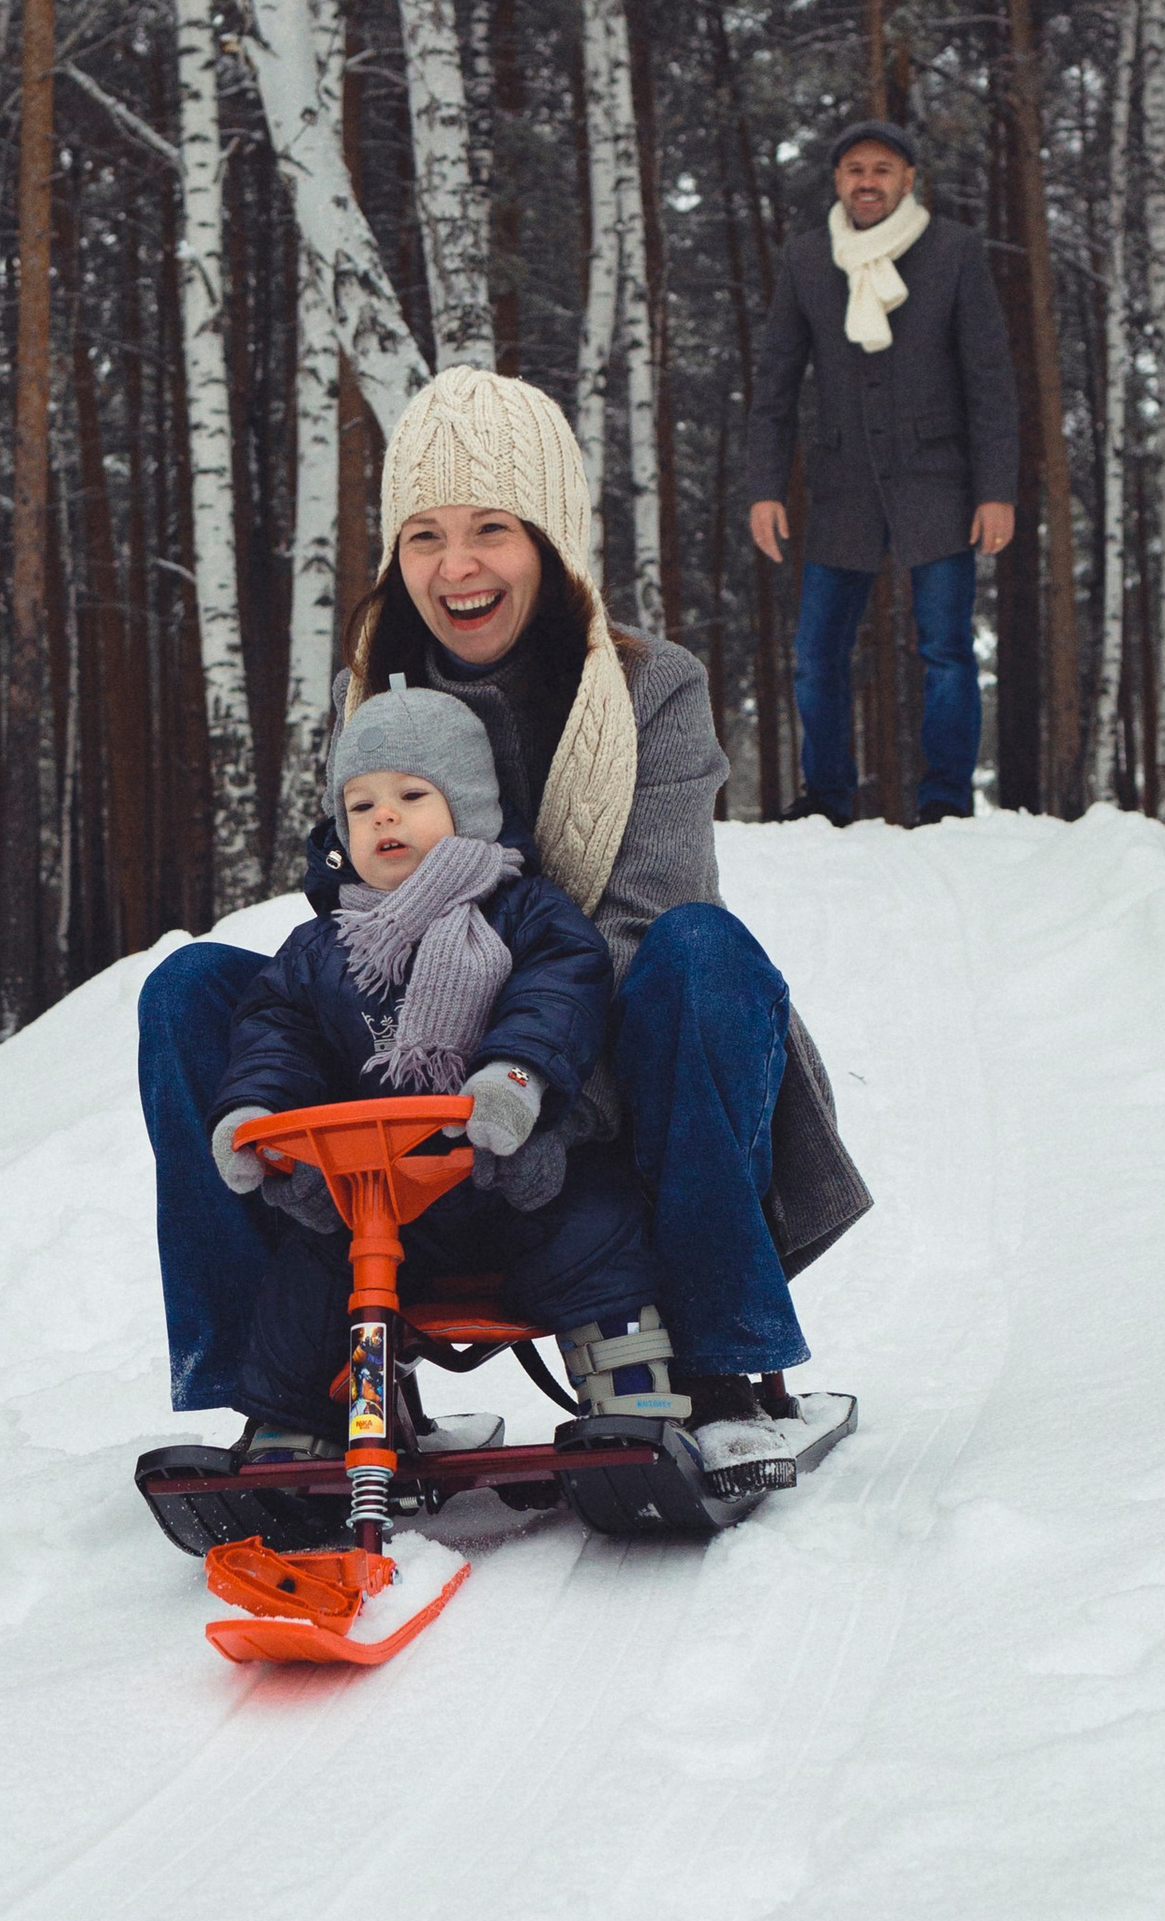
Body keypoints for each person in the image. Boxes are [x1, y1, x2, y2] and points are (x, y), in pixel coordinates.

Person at [140, 365, 869, 1486]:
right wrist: (368, 1120)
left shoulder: (650, 688)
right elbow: (348, 932)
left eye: (491, 530)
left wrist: (505, 1098)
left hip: (590, 1104)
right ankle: (297, 1392)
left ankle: (725, 1367)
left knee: (699, 953)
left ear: (552, 541)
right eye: (423, 536)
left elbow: (635, 935)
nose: (456, 567)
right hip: (408, 1113)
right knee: (189, 992)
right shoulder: (372, 699)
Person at [212, 682, 684, 1454]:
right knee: (310, 1274)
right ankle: (298, 1428)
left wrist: (515, 1078)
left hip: (515, 1173)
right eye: (359, 807)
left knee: (597, 1227)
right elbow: (277, 1036)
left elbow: (557, 995)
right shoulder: (318, 949)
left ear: (467, 807)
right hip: (382, 1199)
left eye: (410, 795)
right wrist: (255, 1116)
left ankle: (629, 1400)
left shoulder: (526, 914)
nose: (383, 817)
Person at [746, 119, 1019, 826]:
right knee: (815, 658)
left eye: (883, 170)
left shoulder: (954, 251)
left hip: (940, 482)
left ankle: (946, 803)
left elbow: (990, 378)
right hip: (841, 487)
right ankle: (827, 801)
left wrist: (996, 491)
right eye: (853, 170)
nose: (867, 182)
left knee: (948, 652)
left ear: (908, 180)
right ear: (837, 181)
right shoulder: (808, 259)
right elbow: (775, 381)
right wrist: (765, 489)